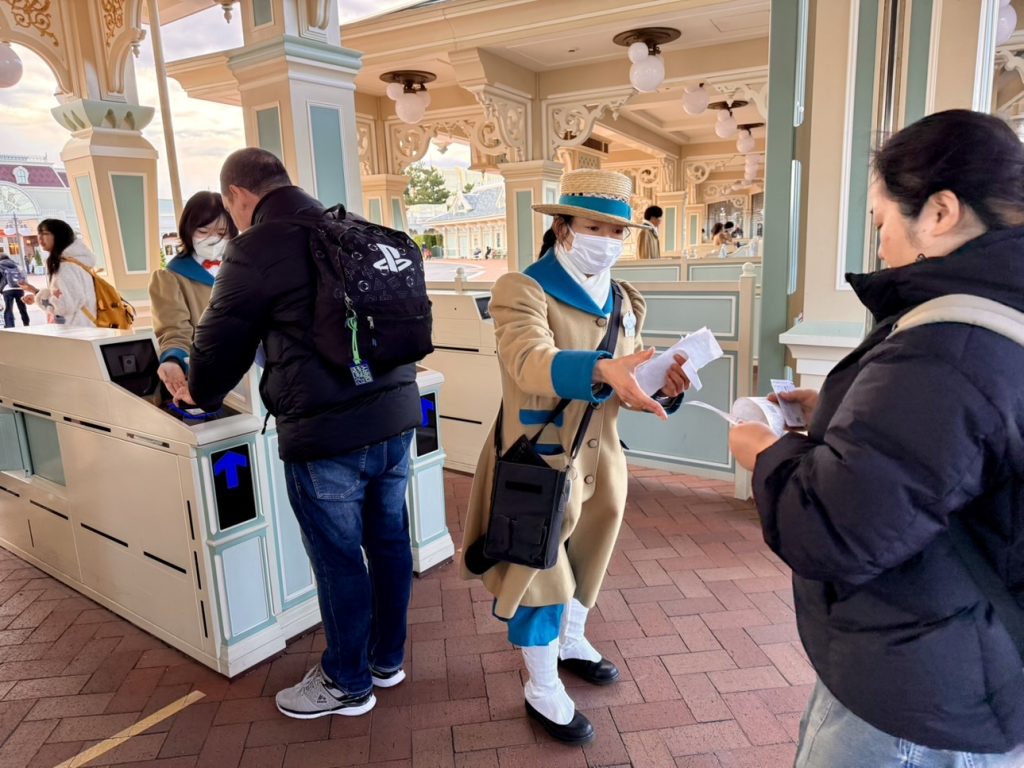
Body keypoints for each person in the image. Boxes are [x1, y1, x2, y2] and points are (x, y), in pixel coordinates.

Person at [729, 110, 1024, 767]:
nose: (883, 246)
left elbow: (837, 529)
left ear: (941, 212)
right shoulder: (1001, 312)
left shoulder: (949, 343)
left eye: (882, 223)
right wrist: (837, 413)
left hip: (921, 681)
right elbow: (954, 458)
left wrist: (763, 452)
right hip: (978, 653)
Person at [178, 148, 421, 720]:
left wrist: (200, 391)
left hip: (326, 432)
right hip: (395, 419)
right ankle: (386, 660)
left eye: (229, 211)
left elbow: (218, 350)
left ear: (238, 197)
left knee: (338, 558)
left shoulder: (255, 247)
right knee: (387, 542)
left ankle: (346, 681)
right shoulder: (355, 227)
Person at [460, 170, 690, 745]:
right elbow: (527, 359)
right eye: (594, 226)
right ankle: (540, 684)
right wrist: (597, 368)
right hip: (539, 457)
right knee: (538, 570)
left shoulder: (623, 298)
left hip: (603, 454)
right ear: (562, 227)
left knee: (591, 556)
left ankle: (570, 640)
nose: (607, 240)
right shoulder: (523, 288)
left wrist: (665, 386)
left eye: (617, 230)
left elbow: (627, 381)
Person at [148, 191, 237, 399]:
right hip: (208, 378)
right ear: (189, 231)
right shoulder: (171, 278)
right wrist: (173, 359)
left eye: (221, 231)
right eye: (204, 231)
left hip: (252, 375)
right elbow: (174, 330)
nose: (213, 239)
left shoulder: (243, 268)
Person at [34, 219, 97, 327]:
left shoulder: (65, 267)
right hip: (86, 326)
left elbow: (64, 306)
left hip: (73, 330)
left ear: (59, 236)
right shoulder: (78, 262)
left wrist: (42, 298)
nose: (40, 238)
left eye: (45, 234)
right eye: (39, 234)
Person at [0, 254, 30, 328]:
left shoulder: (0, 265)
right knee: (22, 307)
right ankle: (26, 324)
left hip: (7, 289)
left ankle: (10, 327)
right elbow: (24, 276)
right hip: (19, 288)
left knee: (8, 308)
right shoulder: (17, 265)